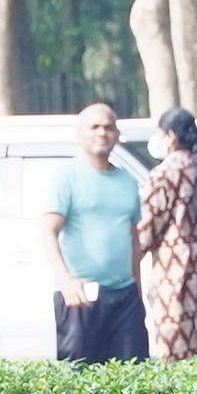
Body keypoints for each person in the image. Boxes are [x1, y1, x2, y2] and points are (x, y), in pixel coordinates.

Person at [42, 103, 146, 363]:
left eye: (108, 128)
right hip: (80, 295)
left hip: (125, 296)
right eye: (94, 127)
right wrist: (65, 280)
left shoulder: (128, 181)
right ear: (80, 135)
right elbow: (49, 231)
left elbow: (134, 241)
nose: (102, 133)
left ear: (117, 135)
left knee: (132, 373)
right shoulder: (67, 176)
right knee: (79, 376)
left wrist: (138, 292)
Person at [137, 108, 197, 363]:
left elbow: (147, 230)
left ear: (170, 136)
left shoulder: (164, 174)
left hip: (174, 278)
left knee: (177, 358)